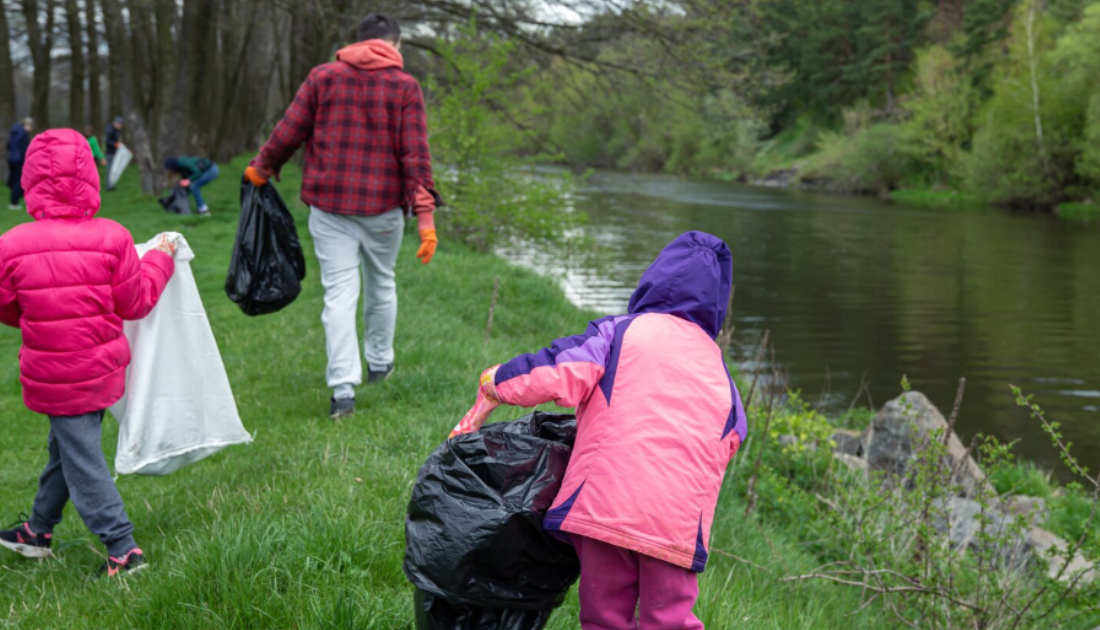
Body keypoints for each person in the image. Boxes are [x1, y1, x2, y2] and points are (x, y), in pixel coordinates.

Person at [451, 232, 747, 630]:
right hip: (675, 525)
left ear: (653, 280)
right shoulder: (720, 371)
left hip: (605, 504)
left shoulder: (620, 332)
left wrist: (498, 380)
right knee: (670, 620)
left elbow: (556, 371)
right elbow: (731, 439)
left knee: (605, 616)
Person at [245, 12, 442, 420]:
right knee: (382, 283)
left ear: (357, 42)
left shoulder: (323, 76)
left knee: (338, 294)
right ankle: (381, 364)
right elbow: (415, 156)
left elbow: (290, 129)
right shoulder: (405, 86)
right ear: (395, 45)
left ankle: (342, 391)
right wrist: (425, 219)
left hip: (330, 206)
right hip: (384, 210)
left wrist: (262, 168)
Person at [0, 129, 177, 576]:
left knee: (81, 458)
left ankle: (123, 549)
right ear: (91, 177)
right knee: (67, 447)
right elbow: (135, 302)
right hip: (102, 370)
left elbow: (7, 308)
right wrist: (161, 259)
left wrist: (41, 315)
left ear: (29, 180)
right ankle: (38, 530)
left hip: (54, 374)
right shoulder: (113, 237)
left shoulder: (11, 244)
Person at [6, 117, 32, 209]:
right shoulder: (24, 134)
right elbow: (26, 149)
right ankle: (14, 203)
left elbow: (8, 146)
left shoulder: (14, 133)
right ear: (26, 125)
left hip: (11, 159)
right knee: (18, 181)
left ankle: (14, 198)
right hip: (19, 160)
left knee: (13, 180)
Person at [104, 116, 124, 191]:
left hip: (114, 152)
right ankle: (108, 186)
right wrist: (115, 144)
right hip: (110, 153)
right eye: (120, 125)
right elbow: (107, 141)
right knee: (110, 169)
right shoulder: (110, 130)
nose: (121, 127)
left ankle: (111, 184)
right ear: (117, 123)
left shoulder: (115, 130)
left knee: (113, 169)